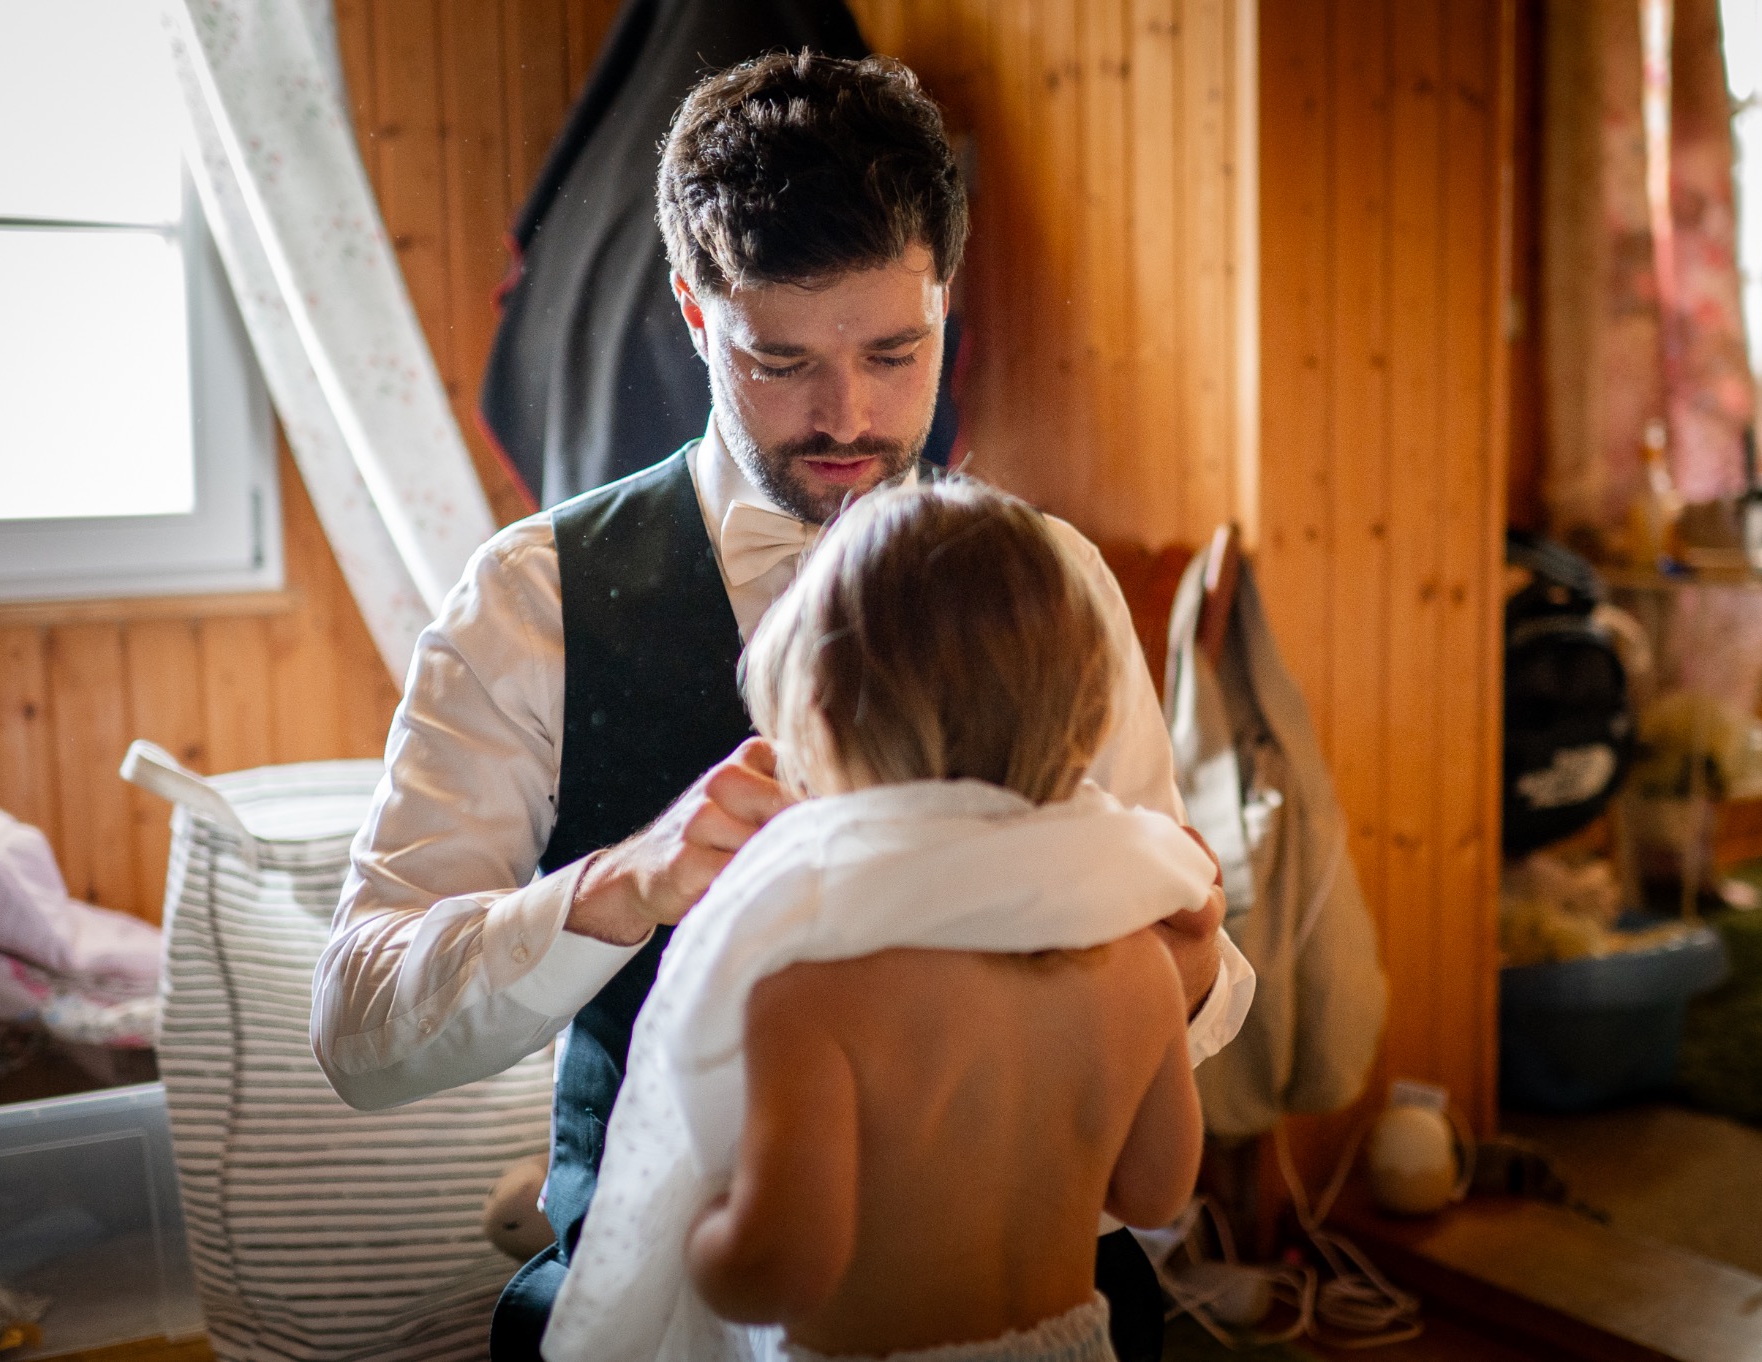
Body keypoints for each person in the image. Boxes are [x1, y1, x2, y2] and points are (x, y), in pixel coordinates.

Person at [310, 51, 1253, 1362]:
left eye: (894, 351)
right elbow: (358, 1030)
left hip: (1028, 1295)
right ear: (695, 314)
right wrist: (620, 886)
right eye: (780, 359)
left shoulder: (1053, 583)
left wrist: (1181, 960)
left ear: (944, 298)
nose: (847, 416)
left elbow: (1189, 983)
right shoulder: (532, 602)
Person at [539, 481, 1206, 1362]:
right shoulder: (1137, 966)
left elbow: (776, 1273)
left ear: (817, 723)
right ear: (1087, 711)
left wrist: (693, 1223)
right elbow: (1155, 1194)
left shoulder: (814, 997)